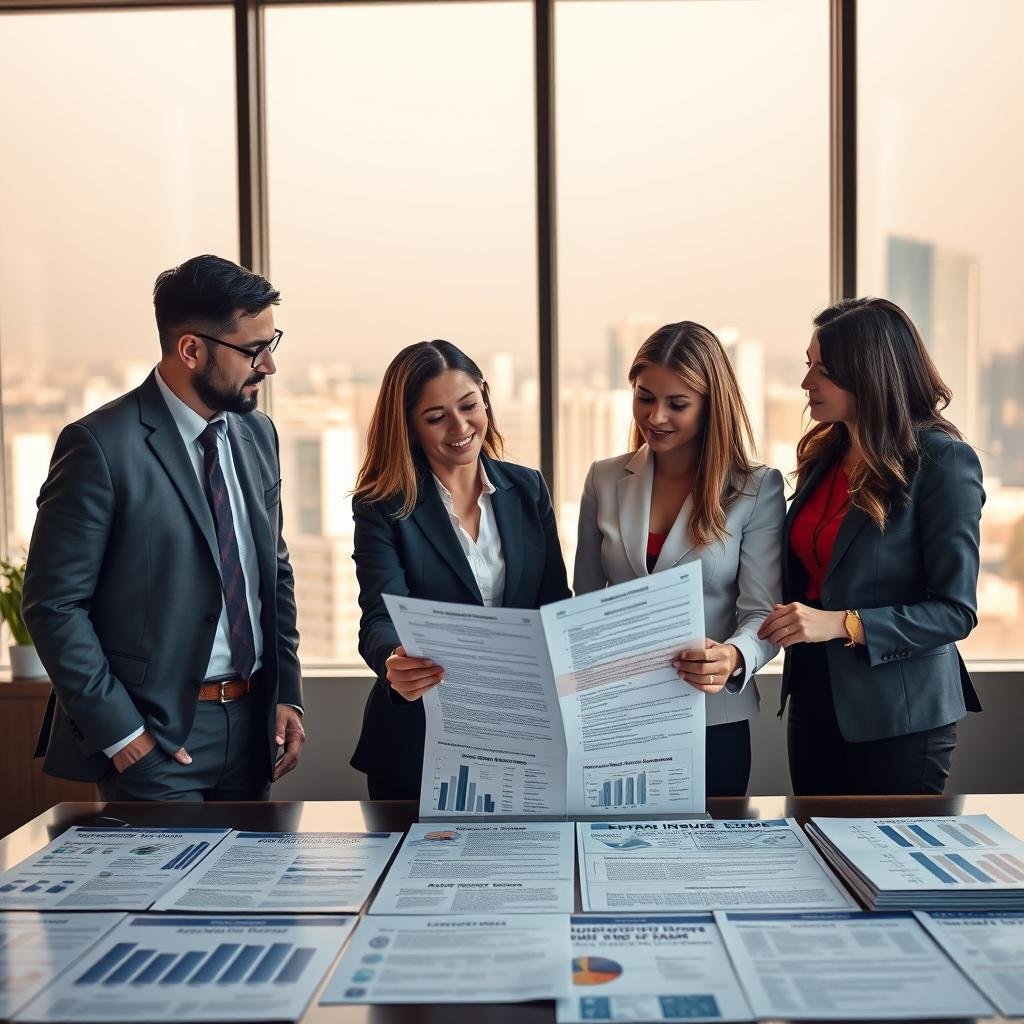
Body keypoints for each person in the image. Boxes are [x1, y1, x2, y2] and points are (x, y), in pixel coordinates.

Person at [23, 255, 305, 800]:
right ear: (191, 349)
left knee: (244, 887)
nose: (268, 366)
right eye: (253, 350)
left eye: (273, 344)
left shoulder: (258, 436)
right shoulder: (100, 446)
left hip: (252, 732)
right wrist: (123, 735)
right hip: (155, 737)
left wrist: (286, 694)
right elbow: (53, 604)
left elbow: (276, 574)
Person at [758, 296, 985, 795]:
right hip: (815, 698)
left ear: (869, 373)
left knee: (885, 870)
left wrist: (842, 622)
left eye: (823, 370)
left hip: (899, 715)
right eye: (808, 365)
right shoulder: (825, 456)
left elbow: (954, 611)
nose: (806, 383)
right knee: (817, 861)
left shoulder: (942, 461)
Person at [350, 340, 570, 798]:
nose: (460, 426)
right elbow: (378, 615)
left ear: (485, 397)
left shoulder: (527, 489)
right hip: (420, 735)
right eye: (436, 417)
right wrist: (393, 659)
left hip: (522, 733)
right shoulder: (383, 507)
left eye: (469, 405)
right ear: (409, 426)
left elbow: (554, 603)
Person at [574, 321, 785, 797]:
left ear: (712, 406)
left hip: (713, 720)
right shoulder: (604, 479)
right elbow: (582, 603)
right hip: (617, 718)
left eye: (678, 404)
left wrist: (733, 656)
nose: (656, 416)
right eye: (645, 397)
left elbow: (762, 614)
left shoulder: (756, 488)